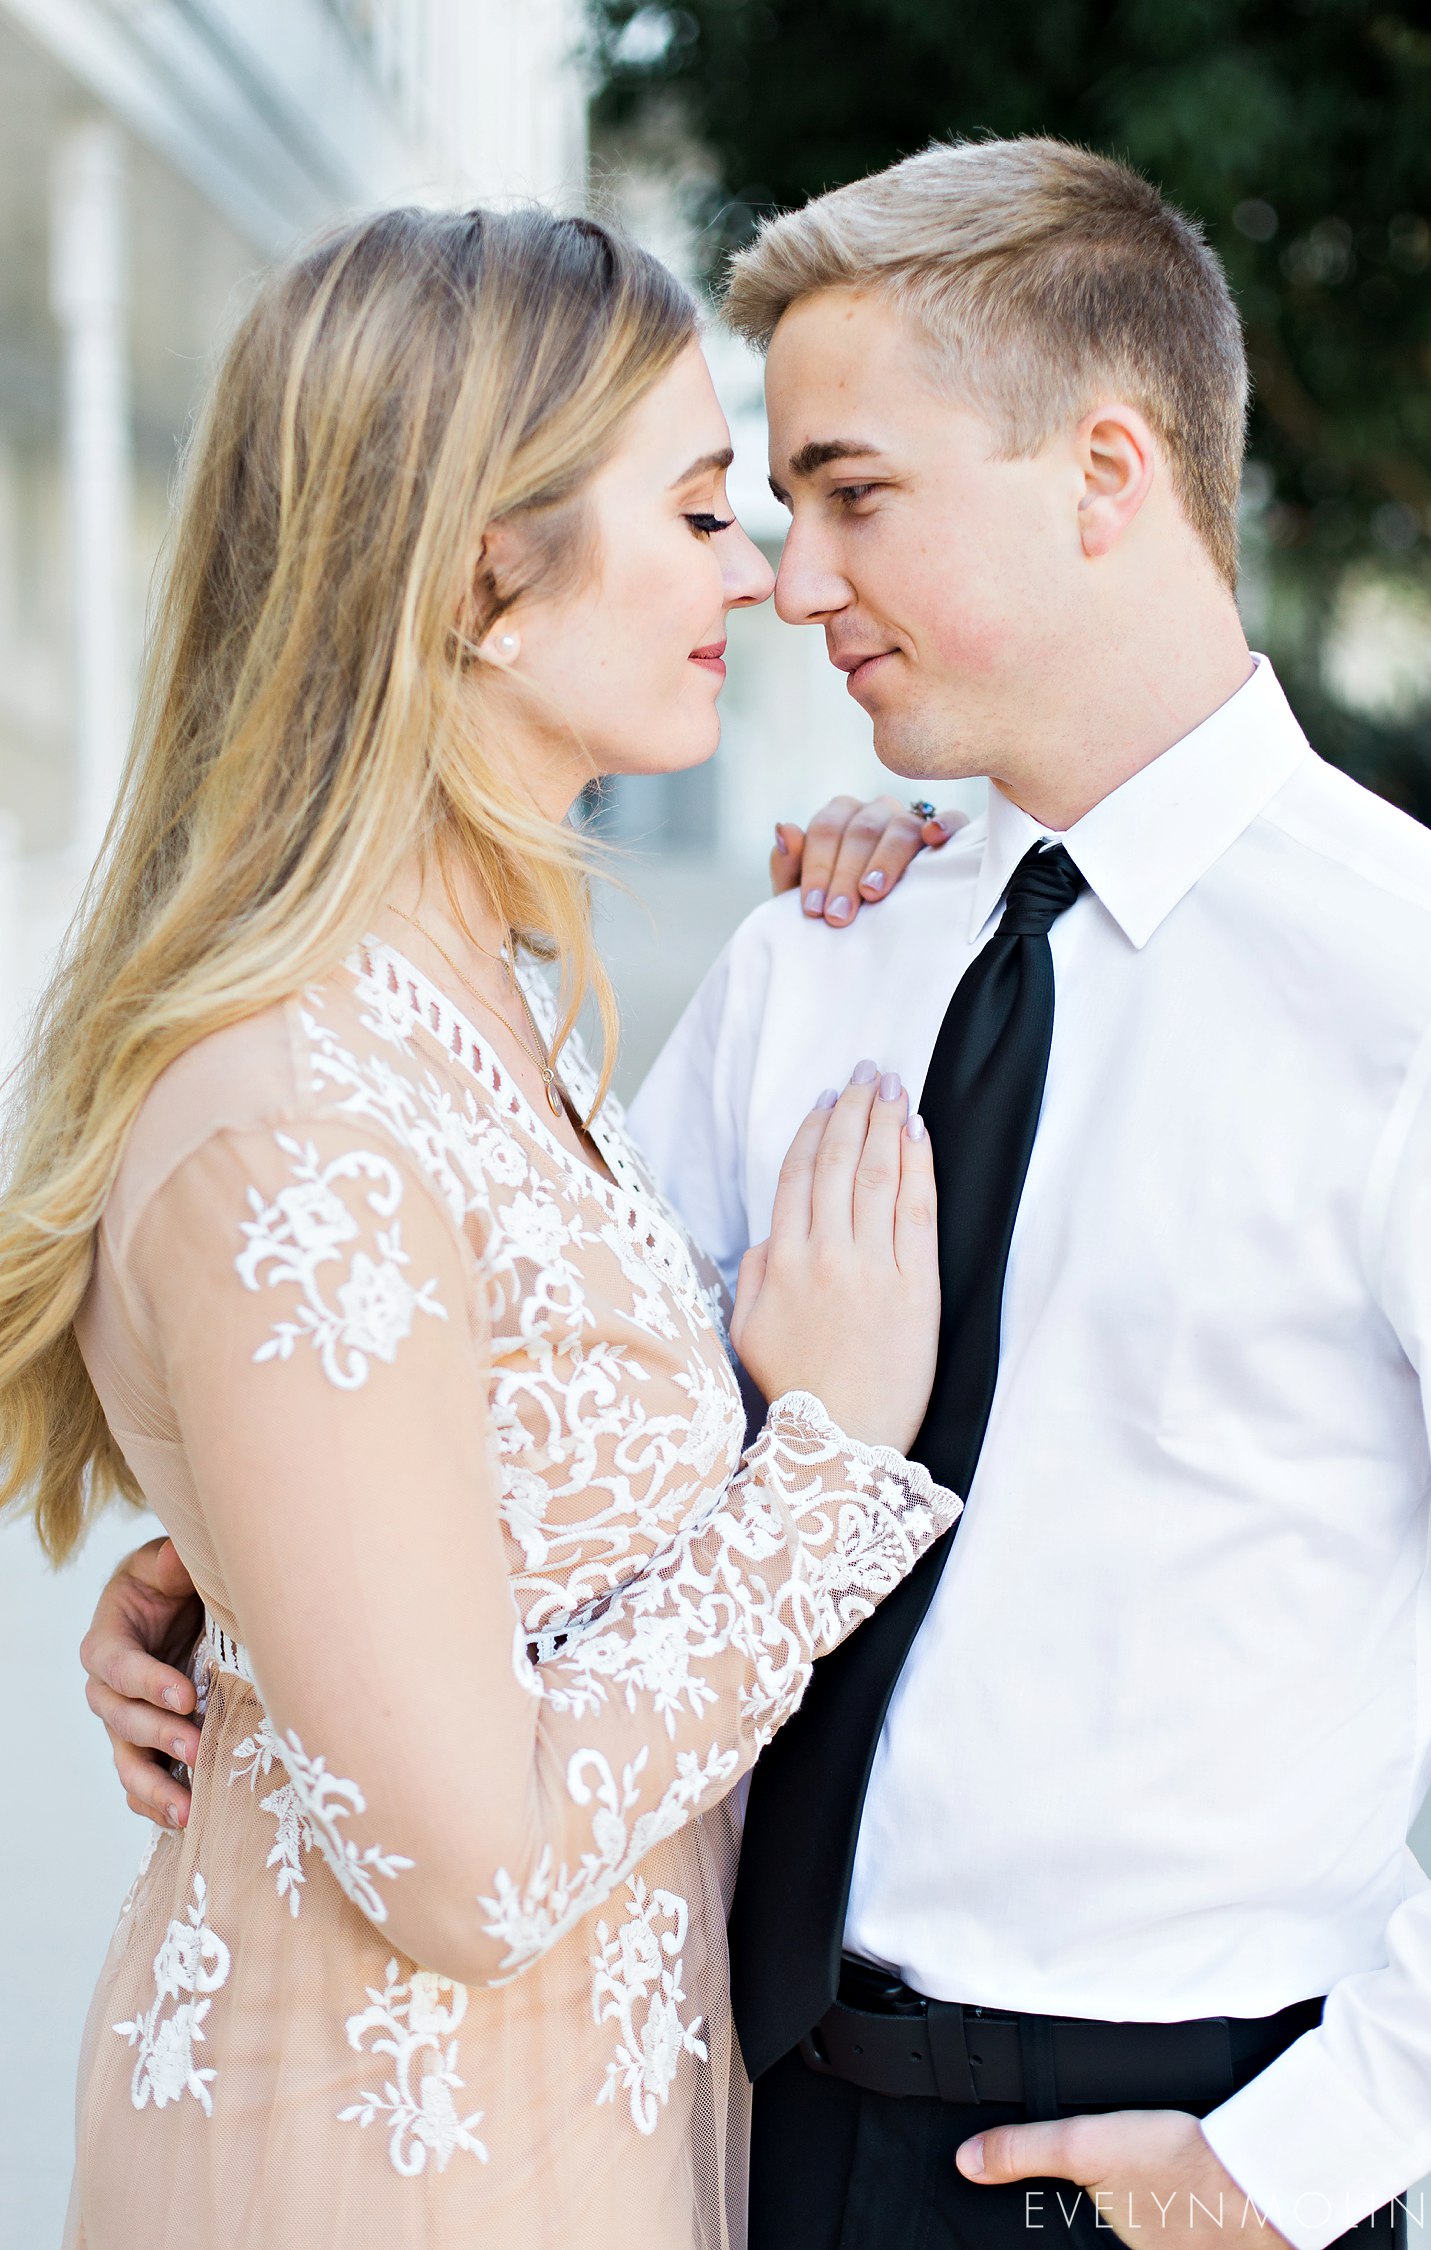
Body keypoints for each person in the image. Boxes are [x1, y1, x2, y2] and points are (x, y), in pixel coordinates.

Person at [85, 135, 1431, 2250]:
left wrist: (1301, 2162)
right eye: (753, 510)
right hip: (744, 2127)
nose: (791, 579)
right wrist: (253, 1579)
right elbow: (540, 1410)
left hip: (1151, 2156)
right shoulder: (827, 942)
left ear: (1106, 475)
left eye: (851, 495)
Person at [0, 205, 967, 2250]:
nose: (765, 579)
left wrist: (919, 889)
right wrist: (836, 1468)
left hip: (579, 2142)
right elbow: (476, 1871)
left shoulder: (492, 999)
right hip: (385, 2174)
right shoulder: (288, 1110)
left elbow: (501, 1502)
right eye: (701, 512)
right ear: (475, 579)